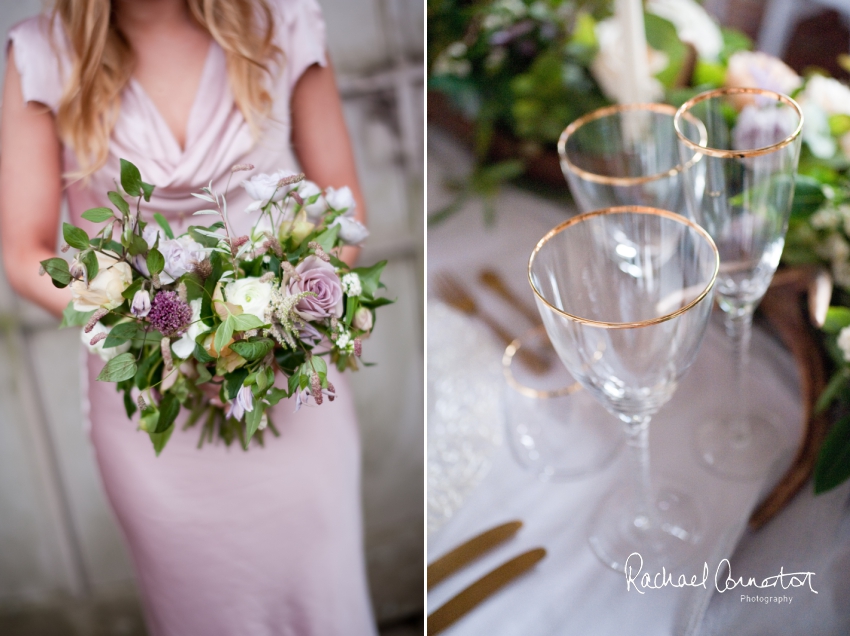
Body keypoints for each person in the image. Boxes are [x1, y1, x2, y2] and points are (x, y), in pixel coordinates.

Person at [0, 1, 377, 634]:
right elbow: (24, 252)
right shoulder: (42, 56)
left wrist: (272, 324)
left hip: (287, 387)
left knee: (322, 593)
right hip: (153, 411)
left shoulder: (281, 22)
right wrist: (155, 334)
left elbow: (341, 204)